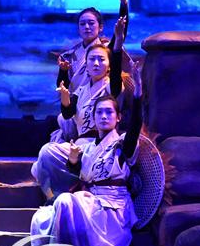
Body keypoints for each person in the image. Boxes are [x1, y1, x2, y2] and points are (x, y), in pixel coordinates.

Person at [30, 61, 144, 246]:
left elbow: (136, 125)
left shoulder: (121, 144)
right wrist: (74, 160)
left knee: (65, 201)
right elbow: (81, 173)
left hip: (110, 211)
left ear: (118, 118)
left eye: (109, 112)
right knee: (42, 217)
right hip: (91, 202)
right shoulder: (89, 148)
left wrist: (138, 94)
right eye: (99, 112)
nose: (104, 116)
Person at [32, 15, 134, 201]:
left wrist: (118, 40)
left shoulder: (111, 86)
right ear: (86, 65)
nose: (96, 64)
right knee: (43, 159)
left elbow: (116, 61)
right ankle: (61, 195)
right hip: (80, 145)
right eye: (92, 60)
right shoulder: (81, 89)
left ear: (109, 65)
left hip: (101, 146)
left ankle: (68, 193)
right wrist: (65, 98)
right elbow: (68, 113)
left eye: (101, 60)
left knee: (47, 153)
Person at [56, 0, 131, 93]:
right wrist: (63, 70)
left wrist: (123, 4)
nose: (86, 27)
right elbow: (62, 88)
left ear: (100, 27)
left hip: (102, 100)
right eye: (82, 24)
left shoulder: (106, 49)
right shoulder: (68, 56)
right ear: (78, 28)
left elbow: (120, 33)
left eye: (91, 23)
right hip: (77, 102)